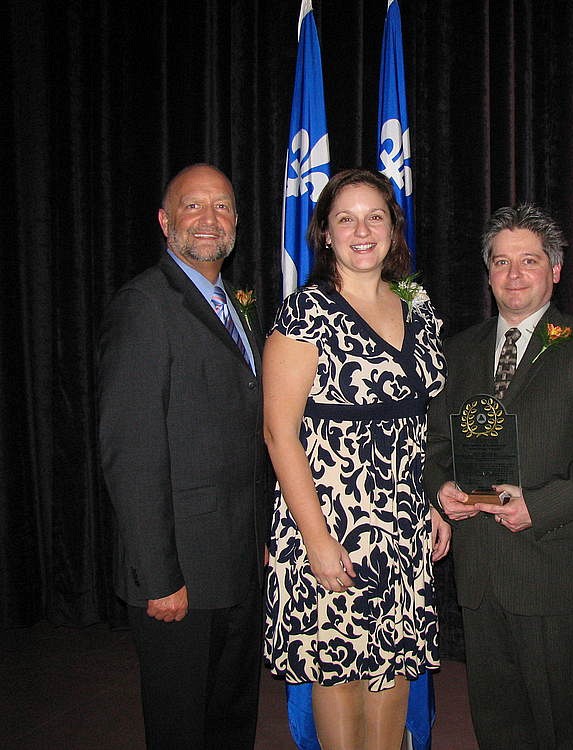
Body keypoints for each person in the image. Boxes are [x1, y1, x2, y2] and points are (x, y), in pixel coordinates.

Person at [425, 204, 573, 750]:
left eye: (529, 261)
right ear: (488, 272)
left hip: (553, 568)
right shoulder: (458, 351)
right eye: (501, 262)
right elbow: (436, 445)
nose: (513, 275)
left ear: (556, 270)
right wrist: (440, 488)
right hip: (481, 568)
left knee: (564, 722)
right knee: (497, 720)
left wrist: (538, 506)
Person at [262, 168, 450, 750]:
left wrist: (435, 500)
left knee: (392, 669)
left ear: (394, 229)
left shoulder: (418, 311)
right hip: (330, 520)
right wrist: (315, 539)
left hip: (403, 524)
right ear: (325, 233)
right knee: (336, 670)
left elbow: (431, 421)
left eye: (375, 216)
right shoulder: (304, 313)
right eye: (346, 218)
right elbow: (278, 434)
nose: (361, 229)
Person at [98, 163, 270, 749]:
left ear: (237, 223)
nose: (208, 218)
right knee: (180, 728)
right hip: (180, 577)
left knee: (229, 719)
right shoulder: (145, 305)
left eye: (221, 206)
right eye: (193, 206)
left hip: (237, 563)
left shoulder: (235, 305)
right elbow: (131, 452)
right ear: (165, 221)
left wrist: (261, 535)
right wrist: (159, 576)